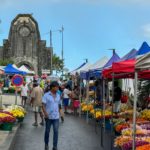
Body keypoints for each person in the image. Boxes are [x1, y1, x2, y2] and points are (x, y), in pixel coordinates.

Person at [42, 81, 61, 150]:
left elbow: (59, 105)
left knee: (56, 131)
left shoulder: (58, 95)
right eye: (56, 87)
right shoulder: (46, 95)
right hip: (48, 117)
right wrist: (45, 113)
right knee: (47, 131)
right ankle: (46, 144)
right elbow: (43, 105)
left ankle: (55, 146)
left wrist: (59, 113)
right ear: (52, 87)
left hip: (56, 117)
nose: (58, 88)